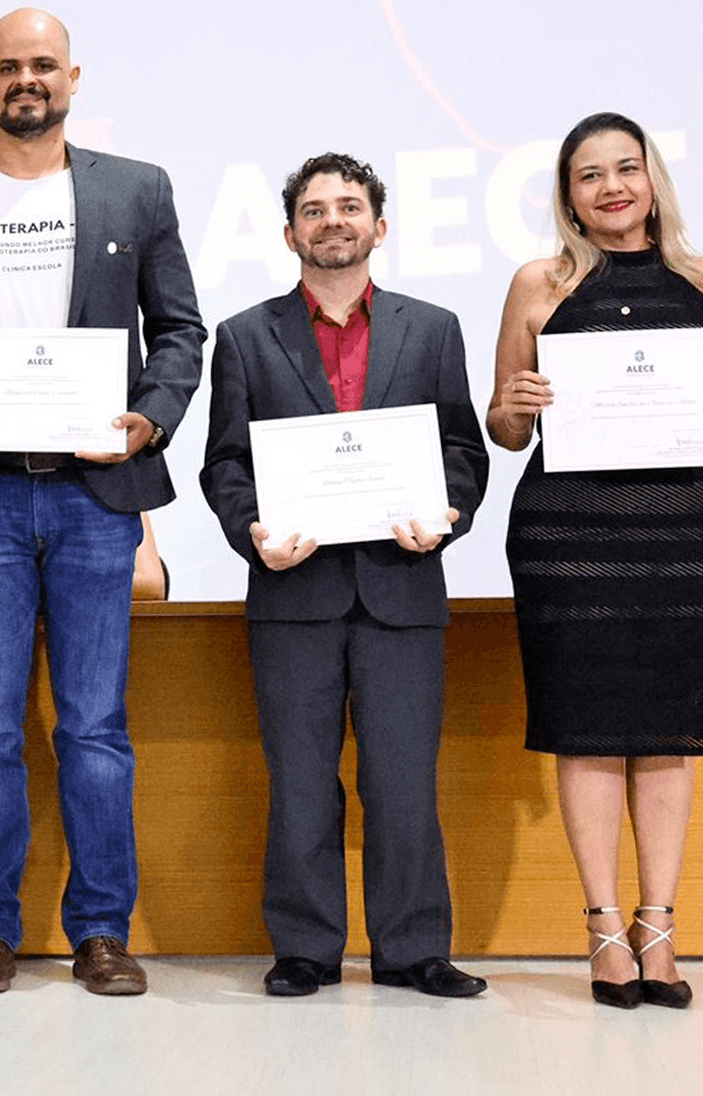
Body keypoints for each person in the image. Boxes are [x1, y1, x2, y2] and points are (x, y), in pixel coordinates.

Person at [0, 7, 205, 996]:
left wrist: (145, 422)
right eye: (7, 68)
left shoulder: (137, 191)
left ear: (74, 77)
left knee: (94, 726)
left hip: (94, 498)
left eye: (43, 66)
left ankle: (100, 930)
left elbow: (181, 334)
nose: (27, 80)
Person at [487, 111, 703, 1009]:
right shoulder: (541, 282)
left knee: (666, 732)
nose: (611, 186)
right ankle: (605, 930)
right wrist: (520, 401)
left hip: (685, 534)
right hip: (570, 537)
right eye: (589, 174)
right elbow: (501, 427)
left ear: (653, 178)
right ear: (568, 195)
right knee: (587, 726)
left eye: (626, 167)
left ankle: (661, 932)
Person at [198, 153, 490, 1000]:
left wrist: (448, 515)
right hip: (294, 591)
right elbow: (226, 462)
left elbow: (462, 451)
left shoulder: (431, 328)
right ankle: (305, 948)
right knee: (298, 783)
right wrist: (251, 531)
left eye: (350, 206)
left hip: (402, 587)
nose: (334, 221)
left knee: (404, 783)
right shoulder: (246, 335)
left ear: (379, 227)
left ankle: (412, 950)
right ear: (291, 232)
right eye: (316, 210)